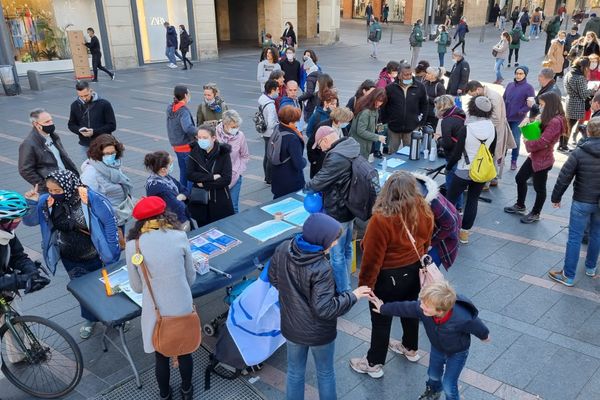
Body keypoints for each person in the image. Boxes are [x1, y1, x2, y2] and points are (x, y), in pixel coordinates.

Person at [269, 213, 372, 400]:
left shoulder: (284, 248)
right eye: (332, 240)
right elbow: (325, 309)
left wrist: (292, 299)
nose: (334, 244)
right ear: (320, 239)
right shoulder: (321, 268)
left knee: (294, 372)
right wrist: (353, 296)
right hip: (319, 332)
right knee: (325, 373)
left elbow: (274, 278)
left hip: (292, 326)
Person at [350, 171, 434, 378]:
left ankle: (374, 363)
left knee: (381, 319)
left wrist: (365, 286)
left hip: (388, 277)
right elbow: (426, 243)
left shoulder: (381, 219)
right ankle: (411, 349)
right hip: (414, 271)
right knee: (411, 311)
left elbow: (372, 259)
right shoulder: (424, 210)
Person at [23, 170, 120, 339]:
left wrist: (111, 253)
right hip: (70, 256)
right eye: (50, 190)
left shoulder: (89, 197)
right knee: (83, 290)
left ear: (69, 186)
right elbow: (30, 221)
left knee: (108, 287)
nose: (53, 194)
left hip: (96, 254)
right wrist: (31, 203)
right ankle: (90, 319)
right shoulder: (48, 201)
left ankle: (117, 317)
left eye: (57, 191)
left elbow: (110, 223)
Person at [370, 280, 490, 400]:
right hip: (437, 347)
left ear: (440, 311)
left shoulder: (463, 317)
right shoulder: (423, 308)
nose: (421, 306)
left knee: (449, 384)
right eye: (422, 303)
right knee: (433, 374)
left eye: (426, 306)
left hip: (457, 352)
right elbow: (404, 308)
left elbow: (479, 327)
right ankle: (433, 391)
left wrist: (484, 336)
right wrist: (383, 308)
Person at [125, 197, 196, 400]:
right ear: (165, 214)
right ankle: (187, 390)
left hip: (155, 310)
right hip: (181, 304)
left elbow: (137, 287)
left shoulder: (133, 246)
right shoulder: (179, 236)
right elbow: (190, 277)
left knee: (161, 354)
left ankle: (164, 394)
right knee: (184, 351)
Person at [305, 130, 362, 293]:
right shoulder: (350, 147)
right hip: (350, 207)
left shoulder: (336, 156)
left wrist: (307, 188)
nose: (321, 149)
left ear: (325, 139)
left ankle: (344, 290)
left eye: (320, 144)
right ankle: (346, 279)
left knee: (337, 255)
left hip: (338, 211)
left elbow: (320, 180)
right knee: (347, 248)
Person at [548, 117, 600, 287]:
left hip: (582, 200)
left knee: (575, 238)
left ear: (589, 132)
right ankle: (591, 268)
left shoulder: (579, 152)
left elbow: (564, 177)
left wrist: (556, 197)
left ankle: (568, 275)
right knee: (597, 235)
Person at [504, 92, 565, 224]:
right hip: (536, 156)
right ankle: (520, 205)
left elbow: (543, 141)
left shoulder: (555, 121)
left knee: (539, 188)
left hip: (543, 159)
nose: (540, 107)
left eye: (542, 104)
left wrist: (527, 141)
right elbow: (538, 132)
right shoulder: (549, 116)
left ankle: (536, 213)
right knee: (520, 178)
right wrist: (530, 122)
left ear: (550, 104)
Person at [445, 96, 496, 244]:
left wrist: (448, 167)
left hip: (463, 169)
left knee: (450, 200)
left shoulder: (467, 128)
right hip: (481, 171)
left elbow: (456, 153)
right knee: (473, 201)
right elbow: (491, 151)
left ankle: (447, 229)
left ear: (472, 108)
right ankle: (465, 233)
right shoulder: (492, 127)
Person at [0, 190, 50, 297]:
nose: (20, 220)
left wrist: (32, 273)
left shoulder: (6, 233)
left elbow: (18, 256)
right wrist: (20, 280)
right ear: (3, 220)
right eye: (17, 217)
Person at [465, 81, 516, 184]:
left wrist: (479, 126)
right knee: (490, 155)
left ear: (478, 90)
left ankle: (487, 180)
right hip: (490, 131)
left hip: (494, 132)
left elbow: (496, 119)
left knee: (490, 155)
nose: (473, 97)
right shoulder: (484, 95)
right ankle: (491, 179)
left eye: (473, 94)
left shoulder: (493, 97)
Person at [19, 108, 78, 193]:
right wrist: (45, 186)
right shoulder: (29, 144)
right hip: (52, 188)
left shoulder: (53, 136)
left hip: (66, 181)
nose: (51, 124)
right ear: (36, 124)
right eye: (47, 122)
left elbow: (63, 158)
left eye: (51, 120)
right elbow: (25, 170)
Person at [80, 134, 133, 229]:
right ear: (98, 153)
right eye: (107, 154)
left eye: (113, 153)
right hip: (107, 221)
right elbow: (89, 202)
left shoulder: (113, 164)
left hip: (119, 215)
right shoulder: (91, 174)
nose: (111, 156)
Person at [186, 124, 234, 227]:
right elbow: (190, 174)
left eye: (205, 138)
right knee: (204, 229)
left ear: (213, 138)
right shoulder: (194, 151)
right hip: (201, 201)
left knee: (223, 228)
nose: (201, 140)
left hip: (219, 200)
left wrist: (204, 184)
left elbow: (226, 179)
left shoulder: (223, 153)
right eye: (199, 138)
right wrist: (211, 177)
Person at [381, 62, 427, 153]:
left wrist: (421, 122)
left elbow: (424, 104)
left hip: (411, 128)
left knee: (410, 154)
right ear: (399, 75)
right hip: (394, 128)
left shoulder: (420, 87)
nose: (409, 77)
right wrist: (385, 121)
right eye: (406, 75)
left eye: (410, 74)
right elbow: (384, 106)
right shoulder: (390, 88)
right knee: (392, 153)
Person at [68, 80, 116, 161]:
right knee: (88, 170)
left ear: (91, 90)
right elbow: (71, 124)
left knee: (109, 169)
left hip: (104, 144)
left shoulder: (104, 104)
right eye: (81, 96)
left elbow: (112, 125)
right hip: (85, 145)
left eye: (86, 95)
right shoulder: (74, 105)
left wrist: (94, 132)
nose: (84, 98)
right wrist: (79, 130)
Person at [434, 95, 466, 209]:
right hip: (463, 155)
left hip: (452, 156)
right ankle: (459, 208)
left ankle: (451, 209)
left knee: (451, 184)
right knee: (458, 184)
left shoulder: (446, 121)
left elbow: (447, 144)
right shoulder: (461, 114)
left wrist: (438, 139)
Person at [144, 151, 190, 228]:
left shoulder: (164, 177)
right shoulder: (160, 188)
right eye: (171, 163)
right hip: (174, 223)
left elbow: (185, 190)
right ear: (163, 169)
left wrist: (181, 196)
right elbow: (179, 207)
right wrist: (183, 196)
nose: (172, 165)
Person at [216, 110, 249, 214]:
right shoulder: (214, 135)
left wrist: (238, 171)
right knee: (219, 207)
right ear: (225, 124)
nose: (236, 129)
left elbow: (245, 155)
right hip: (218, 179)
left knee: (233, 207)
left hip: (234, 177)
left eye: (237, 126)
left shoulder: (240, 136)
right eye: (233, 127)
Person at [270, 106, 307, 199]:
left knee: (278, 200)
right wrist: (304, 161)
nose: (296, 124)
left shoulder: (277, 128)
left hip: (277, 174)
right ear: (290, 122)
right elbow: (298, 163)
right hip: (291, 179)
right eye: (295, 121)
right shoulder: (292, 138)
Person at [306, 108, 354, 177]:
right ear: (339, 120)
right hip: (322, 162)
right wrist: (314, 160)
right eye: (346, 121)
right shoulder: (323, 126)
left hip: (336, 162)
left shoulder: (343, 127)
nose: (348, 123)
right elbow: (311, 144)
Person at [503, 66, 535, 170]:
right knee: (503, 139)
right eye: (517, 73)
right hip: (506, 117)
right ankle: (501, 157)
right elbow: (503, 99)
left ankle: (514, 160)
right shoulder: (509, 85)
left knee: (516, 140)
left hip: (518, 119)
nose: (518, 75)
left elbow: (530, 104)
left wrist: (521, 111)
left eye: (521, 74)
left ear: (525, 75)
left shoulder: (529, 88)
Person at [166, 85, 196, 189]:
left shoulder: (171, 107)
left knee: (183, 172)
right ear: (185, 95)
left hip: (177, 146)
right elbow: (187, 128)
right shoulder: (183, 111)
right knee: (191, 174)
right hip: (186, 146)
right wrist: (199, 132)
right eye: (188, 94)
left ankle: (183, 195)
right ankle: (190, 196)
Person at [564, 57, 596, 149]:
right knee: (569, 126)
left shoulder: (570, 73)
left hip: (569, 100)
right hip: (576, 104)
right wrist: (592, 89)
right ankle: (564, 145)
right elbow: (583, 94)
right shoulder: (580, 77)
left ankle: (562, 145)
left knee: (567, 125)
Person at [349, 88, 387, 159]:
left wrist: (380, 129)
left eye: (381, 101)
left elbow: (376, 122)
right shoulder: (366, 112)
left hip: (365, 144)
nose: (379, 103)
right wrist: (378, 137)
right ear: (373, 98)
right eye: (378, 100)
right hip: (359, 145)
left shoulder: (374, 108)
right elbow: (361, 131)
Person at [259, 79, 280, 184]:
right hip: (270, 133)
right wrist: (278, 123)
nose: (278, 92)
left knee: (267, 155)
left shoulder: (262, 99)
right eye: (277, 90)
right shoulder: (271, 105)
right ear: (272, 90)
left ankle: (267, 176)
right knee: (271, 156)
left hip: (264, 132)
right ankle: (269, 178)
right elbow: (271, 124)